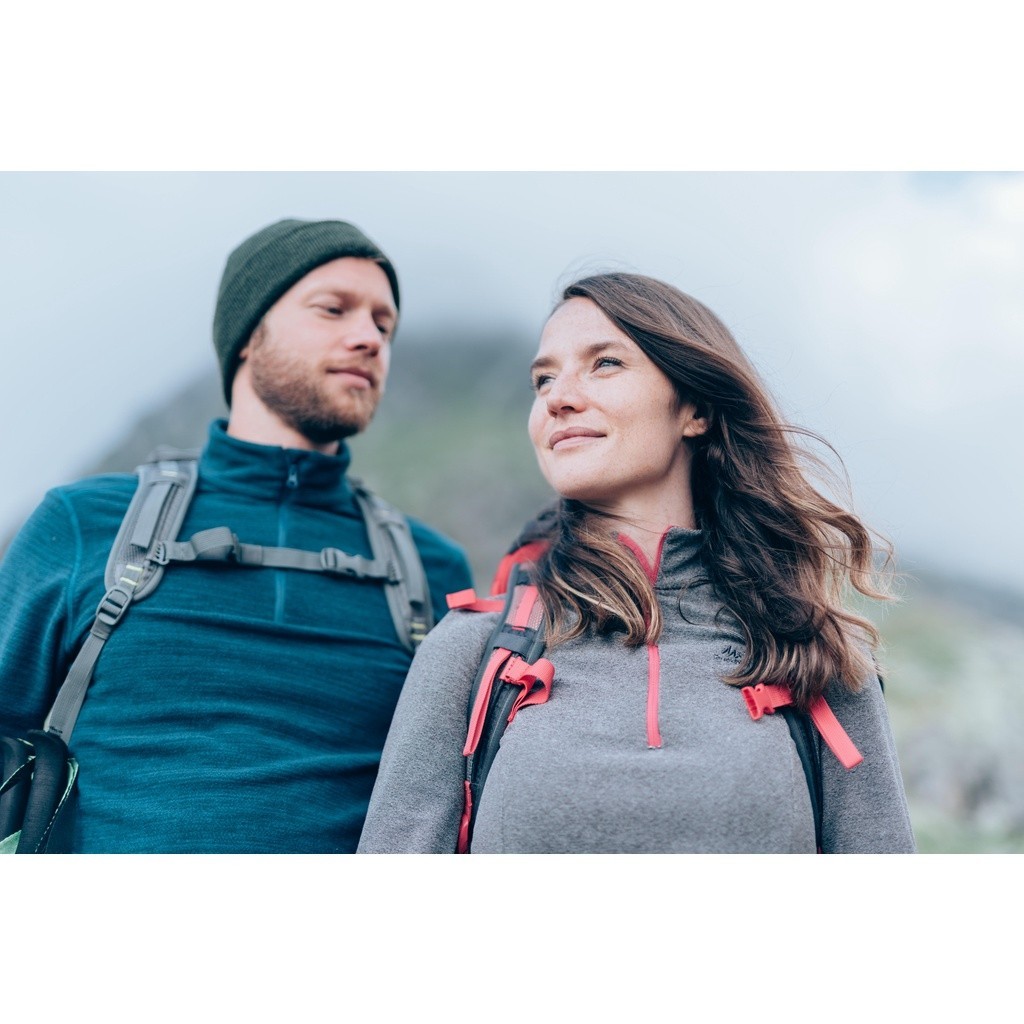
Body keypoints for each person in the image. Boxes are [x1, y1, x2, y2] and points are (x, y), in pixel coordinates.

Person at [357, 271, 916, 854]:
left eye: (605, 363)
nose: (557, 397)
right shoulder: (470, 650)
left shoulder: (817, 655)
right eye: (543, 378)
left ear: (694, 409)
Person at [0, 218, 473, 853]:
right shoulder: (86, 523)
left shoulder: (431, 568)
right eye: (333, 309)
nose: (368, 338)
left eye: (384, 326)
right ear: (249, 334)